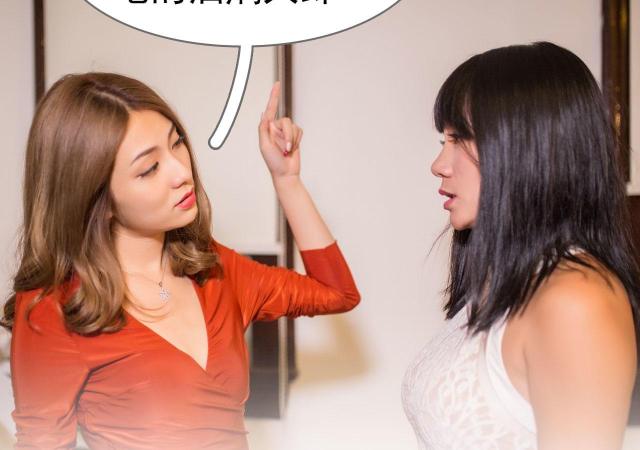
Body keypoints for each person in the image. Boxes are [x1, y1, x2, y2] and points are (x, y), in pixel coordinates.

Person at [2, 73, 360, 449]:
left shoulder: (213, 271)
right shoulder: (54, 309)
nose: (181, 172)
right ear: (95, 198)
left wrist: (287, 180)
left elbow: (337, 293)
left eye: (177, 143)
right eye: (149, 169)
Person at [402, 42, 639, 450]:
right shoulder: (505, 282)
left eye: (460, 139)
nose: (439, 164)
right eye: (444, 140)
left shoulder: (576, 300)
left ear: (528, 149)